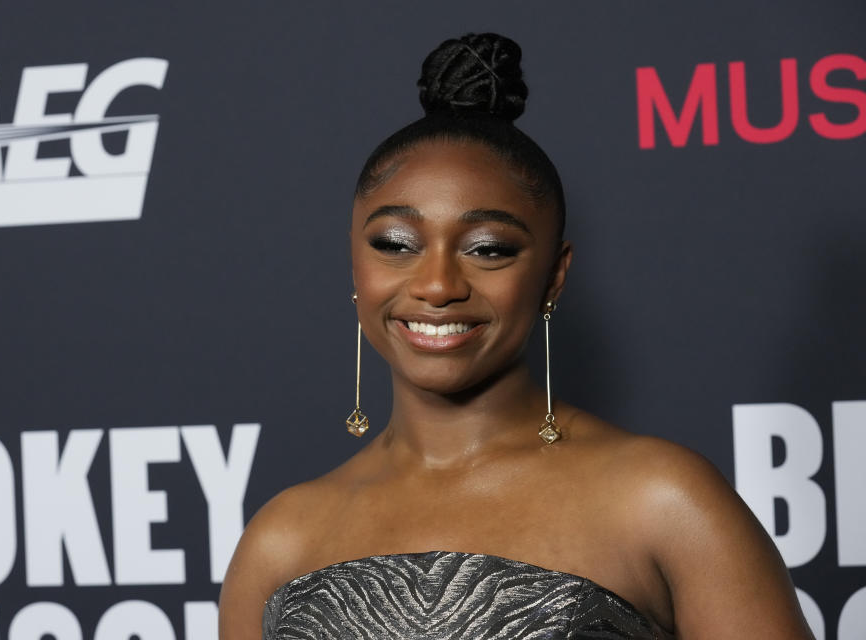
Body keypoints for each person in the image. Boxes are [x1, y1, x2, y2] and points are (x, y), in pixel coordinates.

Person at [219, 33, 814, 639]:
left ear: (554, 276)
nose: (437, 284)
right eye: (396, 244)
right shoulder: (280, 544)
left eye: (489, 249)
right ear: (355, 267)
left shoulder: (662, 501)